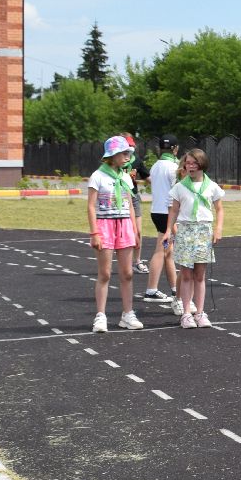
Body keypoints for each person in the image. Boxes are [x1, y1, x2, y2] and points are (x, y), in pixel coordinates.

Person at [87, 135, 143, 333]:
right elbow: (91, 206)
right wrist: (94, 232)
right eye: (124, 152)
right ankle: (100, 316)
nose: (128, 156)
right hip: (105, 226)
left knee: (127, 273)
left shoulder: (126, 177)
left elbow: (130, 205)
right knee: (105, 273)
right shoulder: (98, 176)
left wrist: (135, 232)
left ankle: (127, 314)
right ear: (112, 155)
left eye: (129, 152)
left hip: (125, 226)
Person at [164, 148, 225, 329]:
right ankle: (186, 314)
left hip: (204, 231)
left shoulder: (212, 186)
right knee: (186, 274)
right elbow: (174, 210)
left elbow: (219, 209)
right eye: (187, 163)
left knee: (200, 275)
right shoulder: (180, 187)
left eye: (193, 163)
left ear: (201, 164)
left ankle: (199, 312)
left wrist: (218, 228)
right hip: (185, 230)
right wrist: (168, 230)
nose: (189, 166)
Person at [142, 135, 181, 307]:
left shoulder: (156, 166)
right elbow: (176, 194)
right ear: (175, 149)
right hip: (167, 213)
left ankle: (174, 289)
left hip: (156, 211)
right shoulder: (174, 167)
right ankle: (151, 290)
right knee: (161, 250)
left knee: (168, 252)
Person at [120, 132, 150, 275]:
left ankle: (137, 261)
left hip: (133, 197)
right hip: (119, 198)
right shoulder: (114, 162)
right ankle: (123, 261)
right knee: (121, 231)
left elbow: (147, 176)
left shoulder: (136, 161)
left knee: (137, 230)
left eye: (131, 146)